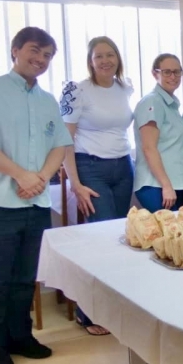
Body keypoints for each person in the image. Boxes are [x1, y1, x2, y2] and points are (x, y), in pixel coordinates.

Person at [0, 27, 72, 364]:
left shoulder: (47, 101)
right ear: (15, 50)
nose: (40, 60)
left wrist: (40, 177)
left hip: (36, 203)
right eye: (34, 51)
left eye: (47, 56)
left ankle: (20, 336)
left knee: (26, 277)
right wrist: (20, 175)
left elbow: (60, 144)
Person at [60, 36, 135, 336]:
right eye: (99, 56)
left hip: (123, 167)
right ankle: (86, 312)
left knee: (119, 240)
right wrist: (75, 183)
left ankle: (112, 309)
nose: (105, 60)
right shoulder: (77, 91)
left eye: (110, 55)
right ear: (90, 61)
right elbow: (65, 139)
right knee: (100, 240)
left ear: (118, 58)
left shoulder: (124, 87)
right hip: (91, 168)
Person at [133, 53, 183, 212]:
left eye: (177, 72)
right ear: (155, 74)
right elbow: (148, 148)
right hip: (156, 185)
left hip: (175, 183)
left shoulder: (171, 105)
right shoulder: (153, 101)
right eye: (166, 72)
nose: (173, 76)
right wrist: (166, 186)